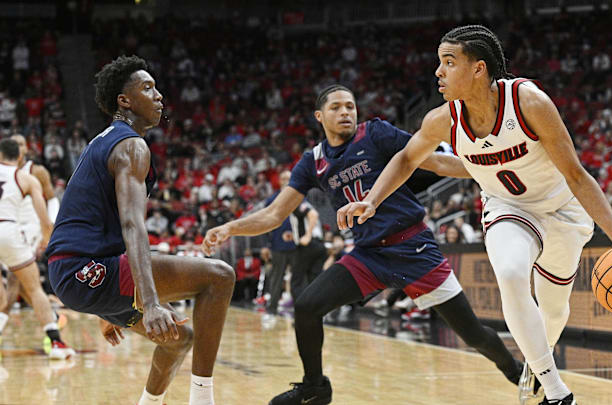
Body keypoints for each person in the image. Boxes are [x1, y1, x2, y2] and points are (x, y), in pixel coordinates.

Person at [337, 25, 612, 405]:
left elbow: (577, 175)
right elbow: (408, 158)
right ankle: (558, 392)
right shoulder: (442, 119)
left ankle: (536, 363)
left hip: (561, 207)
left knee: (555, 307)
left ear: (478, 69)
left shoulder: (530, 103)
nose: (438, 72)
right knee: (511, 273)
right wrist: (372, 199)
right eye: (439, 63)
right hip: (508, 207)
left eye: (448, 62)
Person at [203, 84, 527, 405]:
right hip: (368, 256)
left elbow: (436, 161)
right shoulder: (312, 161)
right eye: (336, 107)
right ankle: (315, 387)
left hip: (413, 249)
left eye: (350, 106)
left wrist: (490, 168)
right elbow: (274, 214)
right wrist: (230, 228)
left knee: (473, 335)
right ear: (319, 116)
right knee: (306, 306)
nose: (345, 112)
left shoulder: (375, 133)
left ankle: (519, 372)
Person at [44, 55, 235, 405]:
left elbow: (96, 223)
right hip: (86, 269)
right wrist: (148, 304)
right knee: (219, 276)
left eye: (157, 87)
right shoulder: (130, 145)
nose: (159, 95)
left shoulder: (106, 141)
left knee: (177, 337)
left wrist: (106, 307)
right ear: (124, 100)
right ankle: (203, 400)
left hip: (77, 271)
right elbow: (132, 226)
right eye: (148, 88)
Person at [0, 138, 73, 359]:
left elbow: (51, 199)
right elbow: (44, 215)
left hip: (14, 229)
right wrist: (49, 236)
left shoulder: (36, 170)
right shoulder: (25, 178)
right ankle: (54, 339)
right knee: (32, 287)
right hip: (9, 230)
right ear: (18, 153)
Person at [262, 170, 297, 318]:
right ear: (279, 180)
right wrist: (265, 245)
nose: (286, 181)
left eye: (288, 178)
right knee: (277, 277)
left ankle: (298, 306)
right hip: (277, 245)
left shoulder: (298, 197)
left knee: (297, 278)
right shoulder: (272, 200)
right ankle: (272, 308)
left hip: (297, 245)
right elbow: (262, 223)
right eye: (283, 178)